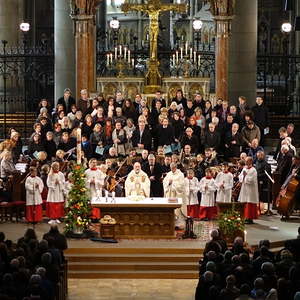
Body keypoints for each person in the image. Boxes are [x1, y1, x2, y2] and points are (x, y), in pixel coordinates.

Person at [163, 162, 186, 227]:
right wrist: (168, 183)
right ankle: (170, 224)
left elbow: (181, 185)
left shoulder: (180, 174)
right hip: (169, 195)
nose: (172, 169)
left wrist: (173, 184)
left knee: (177, 211)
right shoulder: (169, 174)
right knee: (170, 210)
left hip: (176, 195)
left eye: (173, 168)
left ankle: (178, 225)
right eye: (171, 168)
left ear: (176, 167)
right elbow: (164, 182)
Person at [238, 157, 259, 224]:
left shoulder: (253, 170)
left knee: (250, 203)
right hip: (244, 188)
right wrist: (243, 177)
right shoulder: (244, 168)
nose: (245, 162)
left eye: (247, 161)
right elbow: (240, 176)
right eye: (245, 161)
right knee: (245, 202)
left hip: (251, 189)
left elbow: (252, 180)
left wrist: (245, 177)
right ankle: (245, 217)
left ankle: (250, 218)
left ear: (250, 162)